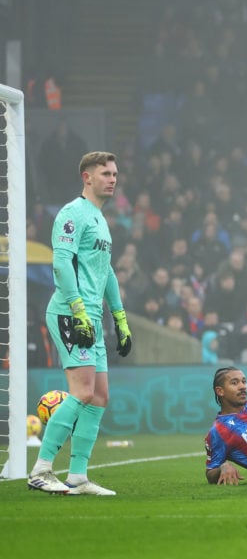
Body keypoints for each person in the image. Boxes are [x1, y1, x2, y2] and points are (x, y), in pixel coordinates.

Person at [28, 152, 133, 496]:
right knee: (82, 391)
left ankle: (77, 476)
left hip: (93, 315)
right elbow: (60, 264)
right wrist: (78, 309)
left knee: (99, 396)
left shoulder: (101, 219)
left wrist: (119, 317)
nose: (113, 179)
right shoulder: (72, 213)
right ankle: (41, 469)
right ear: (87, 177)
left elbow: (107, 273)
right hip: (70, 313)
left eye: (115, 173)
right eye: (106, 173)